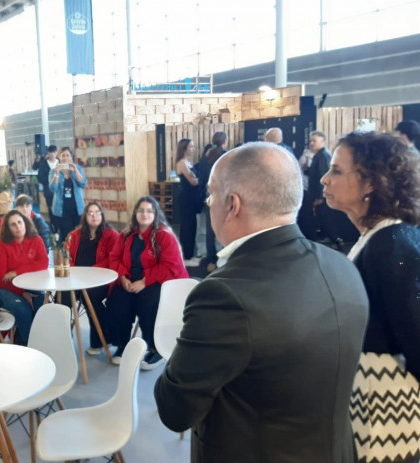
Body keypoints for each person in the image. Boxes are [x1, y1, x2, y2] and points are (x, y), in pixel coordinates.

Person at [154, 142, 369, 462]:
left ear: (232, 204)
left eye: (211, 194)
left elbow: (175, 410)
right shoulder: (343, 266)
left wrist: (187, 344)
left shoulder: (223, 296)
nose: (208, 202)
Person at [321, 131, 420, 462]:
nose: (324, 178)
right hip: (369, 402)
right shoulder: (379, 237)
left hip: (388, 412)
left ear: (370, 182)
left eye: (336, 170)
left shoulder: (393, 245)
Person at [108, 196, 187, 370]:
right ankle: (122, 345)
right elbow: (113, 258)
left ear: (155, 214)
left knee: (148, 302)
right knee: (117, 299)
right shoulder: (126, 234)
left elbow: (170, 266)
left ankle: (155, 348)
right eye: (141, 210)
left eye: (149, 211)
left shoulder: (163, 236)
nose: (145, 214)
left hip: (158, 280)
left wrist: (144, 282)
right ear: (136, 213)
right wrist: (123, 278)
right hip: (129, 278)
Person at [63, 201, 120, 355]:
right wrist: (73, 270)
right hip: (75, 279)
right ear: (85, 216)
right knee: (62, 297)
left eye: (97, 213)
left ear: (102, 215)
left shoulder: (111, 235)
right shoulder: (74, 235)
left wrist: (91, 272)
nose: (94, 216)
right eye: (90, 213)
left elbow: (112, 259)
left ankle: (100, 340)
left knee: (91, 296)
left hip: (100, 281)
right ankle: (64, 338)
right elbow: (66, 256)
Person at [0, 210, 49, 345]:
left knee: (40, 303)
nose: (18, 227)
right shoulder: (2, 244)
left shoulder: (36, 239)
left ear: (25, 222)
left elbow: (43, 263)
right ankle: (29, 345)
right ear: (8, 228)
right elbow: (0, 276)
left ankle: (25, 339)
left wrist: (17, 271)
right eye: (13, 225)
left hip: (30, 286)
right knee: (23, 309)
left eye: (19, 222)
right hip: (3, 289)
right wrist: (22, 293)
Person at [194, 132, 227, 272]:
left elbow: (201, 180)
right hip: (224, 197)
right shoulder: (226, 157)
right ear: (224, 141)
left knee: (210, 230)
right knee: (226, 227)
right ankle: (225, 259)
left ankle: (211, 260)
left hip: (209, 197)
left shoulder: (204, 159)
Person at [48, 147, 88, 240]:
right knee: (66, 236)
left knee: (79, 235)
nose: (65, 158)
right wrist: (57, 173)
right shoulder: (53, 171)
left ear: (71, 157)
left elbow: (83, 183)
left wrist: (76, 171)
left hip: (77, 209)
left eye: (68, 155)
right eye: (63, 156)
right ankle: (66, 254)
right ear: (60, 157)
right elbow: (53, 188)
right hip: (62, 210)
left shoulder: (77, 168)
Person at [300, 130, 333, 241]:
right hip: (315, 194)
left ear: (322, 141)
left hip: (318, 195)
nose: (311, 143)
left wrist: (320, 197)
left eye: (314, 141)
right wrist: (306, 170)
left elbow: (323, 177)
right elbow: (315, 173)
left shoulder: (322, 156)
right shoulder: (319, 155)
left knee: (320, 219)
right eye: (311, 141)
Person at [174, 138, 201, 266]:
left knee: (192, 225)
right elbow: (193, 181)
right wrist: (196, 178)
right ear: (184, 149)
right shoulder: (182, 163)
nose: (193, 149)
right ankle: (186, 255)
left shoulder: (188, 162)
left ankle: (189, 253)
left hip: (191, 197)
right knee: (187, 226)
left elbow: (195, 179)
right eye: (191, 147)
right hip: (186, 198)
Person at [33, 145, 59, 232]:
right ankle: (53, 226)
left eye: (54, 152)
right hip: (48, 191)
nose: (52, 154)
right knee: (51, 209)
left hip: (60, 191)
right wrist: (50, 181)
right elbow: (40, 177)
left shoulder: (60, 163)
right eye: (50, 152)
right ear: (48, 153)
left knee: (60, 208)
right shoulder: (44, 164)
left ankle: (60, 226)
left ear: (56, 153)